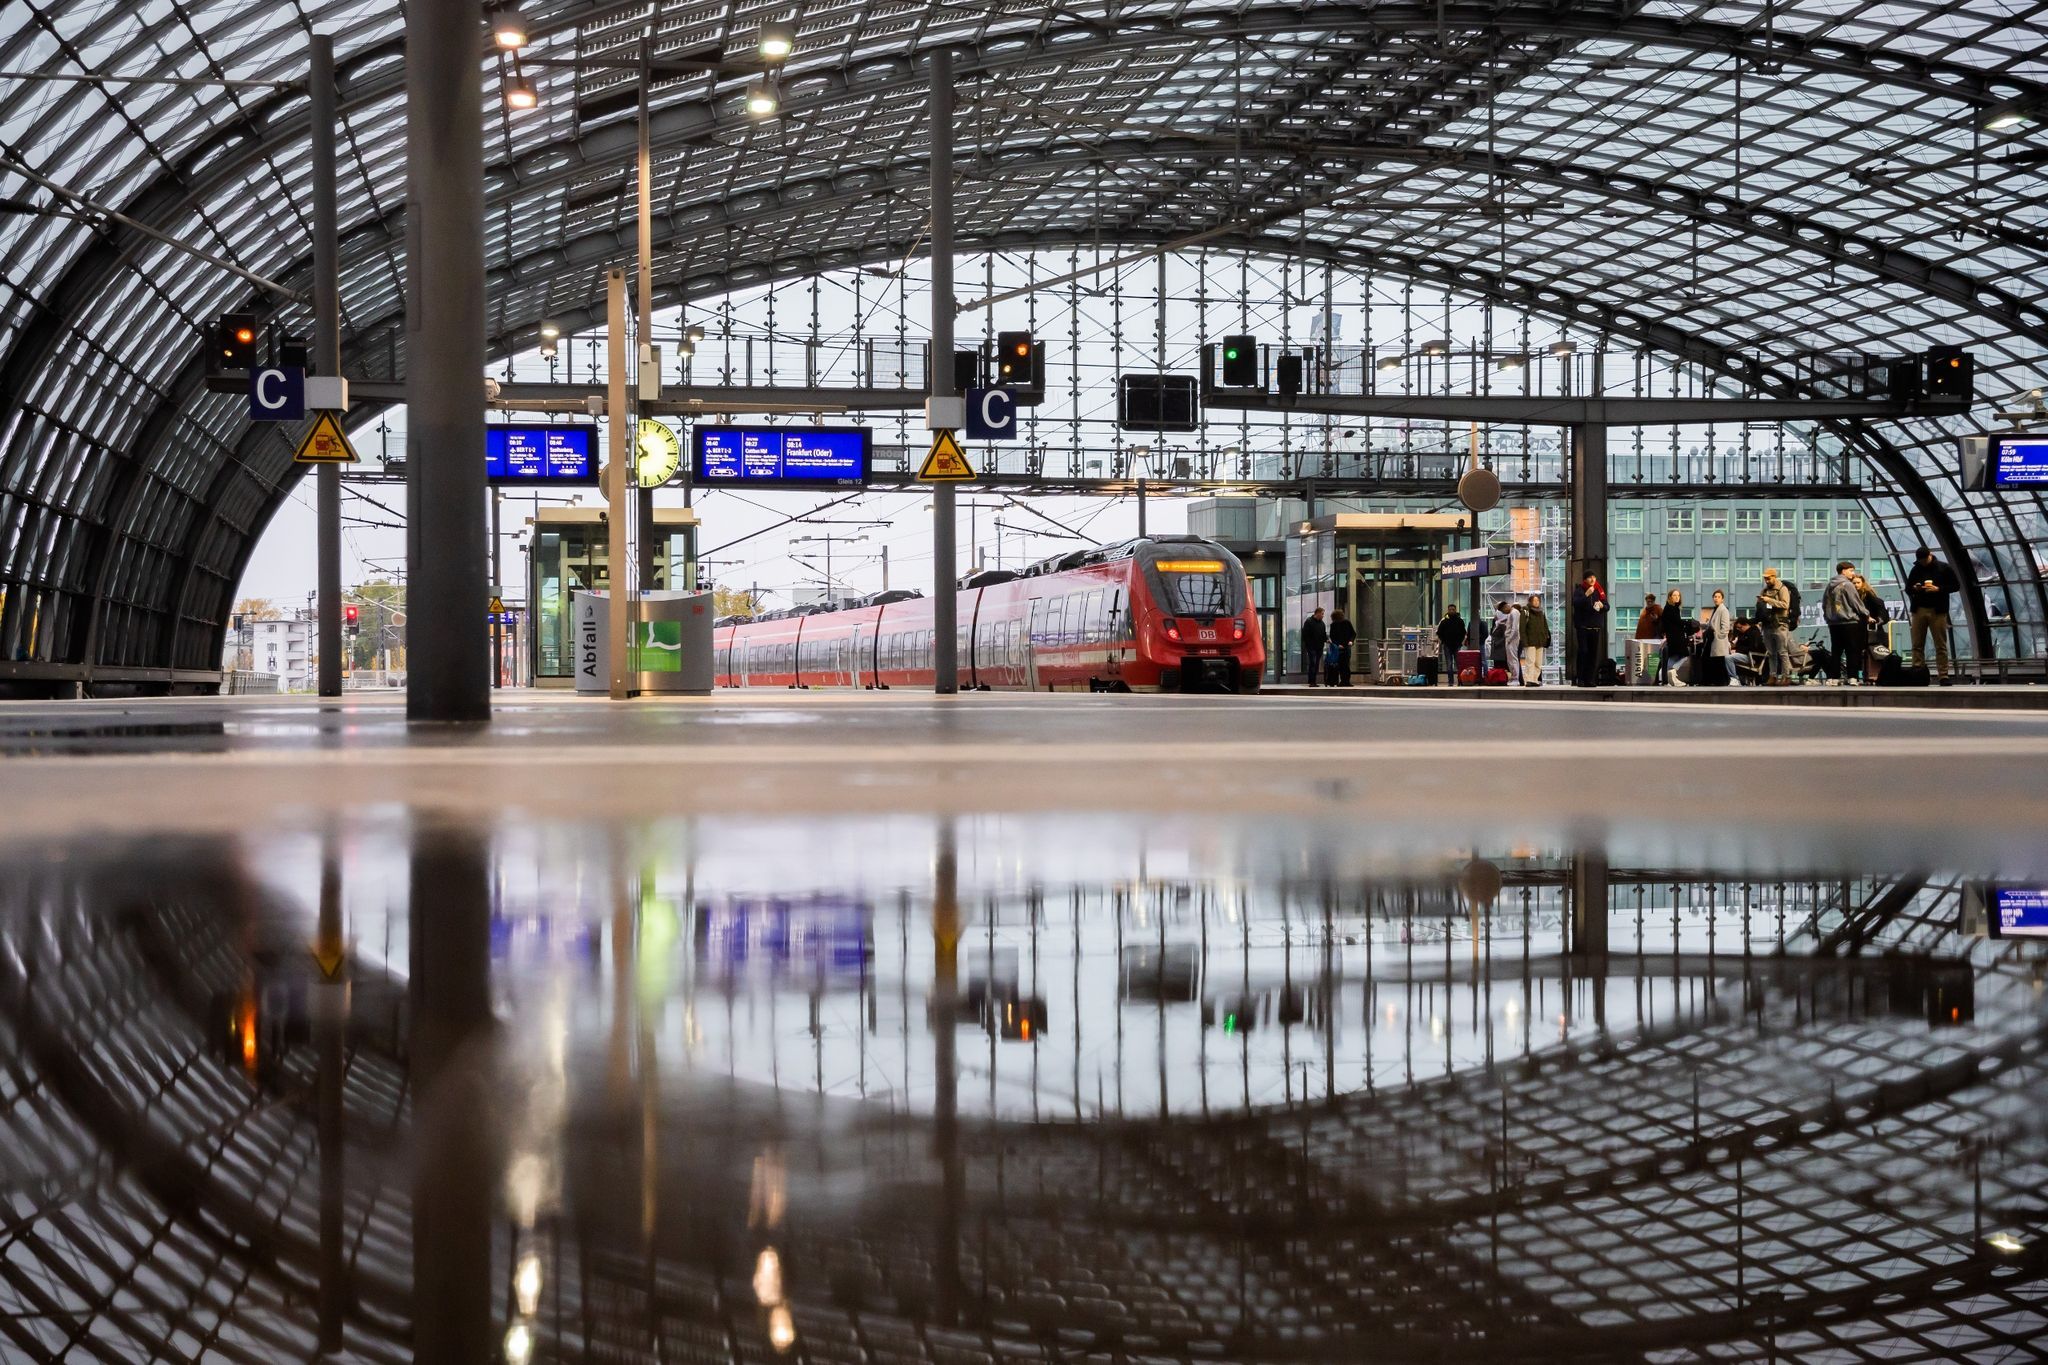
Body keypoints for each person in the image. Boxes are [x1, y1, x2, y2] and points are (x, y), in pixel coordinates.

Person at [1907, 546, 1960, 682]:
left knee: (1940, 644)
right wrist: (1915, 588)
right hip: (1919, 609)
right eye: (1920, 561)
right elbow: (1908, 588)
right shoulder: (1916, 569)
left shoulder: (1944, 568)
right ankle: (1918, 672)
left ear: (1930, 555)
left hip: (1938, 610)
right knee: (1917, 643)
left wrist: (1938, 589)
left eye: (1924, 560)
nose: (1923, 563)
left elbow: (1956, 586)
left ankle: (1943, 675)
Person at [1822, 560, 1874, 685]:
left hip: (1834, 623)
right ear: (1843, 571)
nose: (1853, 573)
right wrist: (1866, 614)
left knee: (1836, 651)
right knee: (1852, 650)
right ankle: (1852, 677)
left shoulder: (1830, 585)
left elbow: (1824, 604)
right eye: (1851, 570)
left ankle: (1834, 677)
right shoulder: (1847, 585)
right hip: (1849, 622)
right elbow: (1855, 602)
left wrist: (1828, 617)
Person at [1570, 572, 1608, 687]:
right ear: (1585, 579)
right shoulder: (1580, 590)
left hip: (1595, 626)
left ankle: (1589, 679)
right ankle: (1580, 678)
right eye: (1589, 577)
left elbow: (1607, 606)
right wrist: (1586, 595)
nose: (1592, 579)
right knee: (1583, 651)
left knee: (1593, 654)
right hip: (1583, 626)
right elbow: (1575, 603)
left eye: (1593, 577)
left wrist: (1602, 606)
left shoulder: (1599, 590)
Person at [1756, 568, 1793, 685]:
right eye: (1765, 578)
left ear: (1774, 577)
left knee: (1782, 651)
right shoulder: (1764, 590)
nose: (1766, 580)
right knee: (1771, 653)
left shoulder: (1782, 589)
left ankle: (1786, 676)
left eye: (1768, 578)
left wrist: (1769, 600)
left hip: (1780, 624)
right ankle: (1773, 675)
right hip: (1767, 625)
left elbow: (1785, 605)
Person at [1706, 589, 1739, 685]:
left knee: (1719, 661)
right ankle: (1718, 681)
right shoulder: (1715, 609)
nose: (1716, 599)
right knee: (1716, 661)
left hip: (1719, 640)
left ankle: (1722, 682)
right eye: (1715, 597)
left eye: (1718, 597)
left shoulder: (1723, 610)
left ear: (1722, 599)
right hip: (1714, 640)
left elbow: (1725, 627)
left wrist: (1718, 635)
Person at [1658, 588, 1688, 684]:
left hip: (1674, 636)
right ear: (1670, 597)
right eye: (1674, 595)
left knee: (1674, 656)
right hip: (1675, 637)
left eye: (1678, 595)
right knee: (1683, 655)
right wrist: (1688, 622)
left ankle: (1664, 675)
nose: (1677, 597)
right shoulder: (1671, 608)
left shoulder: (1672, 608)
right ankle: (1671, 671)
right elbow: (1677, 622)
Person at [1519, 594, 1550, 686]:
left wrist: (1545, 637)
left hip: (1540, 641)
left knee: (1538, 663)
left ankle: (1535, 679)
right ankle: (1529, 680)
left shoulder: (1541, 612)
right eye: (1534, 600)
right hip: (1530, 641)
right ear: (1530, 601)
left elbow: (1545, 626)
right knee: (1530, 661)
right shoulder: (1525, 611)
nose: (1536, 602)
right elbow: (1522, 628)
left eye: (1538, 600)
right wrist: (1524, 641)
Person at [1436, 604, 1468, 685]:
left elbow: (1463, 632)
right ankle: (1451, 682)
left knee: (1458, 664)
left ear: (1455, 610)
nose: (1451, 611)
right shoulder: (1444, 622)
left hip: (1457, 645)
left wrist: (1461, 642)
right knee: (1449, 664)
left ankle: (1460, 681)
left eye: (1453, 609)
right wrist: (1443, 641)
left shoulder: (1460, 621)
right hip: (1447, 645)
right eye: (1450, 609)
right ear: (1448, 610)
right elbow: (1439, 633)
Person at [1491, 601, 1520, 683]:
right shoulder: (1511, 613)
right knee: (1510, 660)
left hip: (1512, 639)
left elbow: (1515, 628)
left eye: (1503, 611)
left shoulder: (1514, 612)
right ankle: (1514, 677)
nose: (1504, 613)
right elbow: (1507, 623)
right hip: (1509, 638)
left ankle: (1516, 678)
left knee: (1513, 659)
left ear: (1506, 607)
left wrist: (1510, 639)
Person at [1328, 608, 1356, 686]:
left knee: (1342, 664)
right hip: (1345, 646)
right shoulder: (1345, 622)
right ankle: (1345, 681)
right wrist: (1351, 641)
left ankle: (1344, 681)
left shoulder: (1336, 624)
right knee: (1345, 664)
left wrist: (1338, 644)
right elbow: (1353, 633)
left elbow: (1332, 637)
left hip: (1341, 647)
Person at [1300, 607, 1327, 686]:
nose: (1323, 616)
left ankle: (1312, 680)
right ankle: (1312, 681)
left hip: (1319, 647)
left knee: (1316, 663)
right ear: (1317, 613)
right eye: (1322, 614)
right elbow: (1305, 635)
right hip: (1311, 647)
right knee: (1313, 663)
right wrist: (1308, 645)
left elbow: (1323, 634)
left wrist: (1326, 639)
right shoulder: (1309, 622)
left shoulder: (1322, 624)